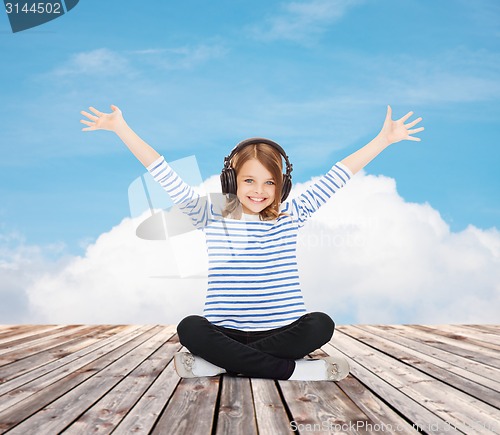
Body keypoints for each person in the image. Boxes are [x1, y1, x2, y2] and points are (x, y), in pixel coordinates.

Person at [80, 104, 423, 381]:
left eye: (269, 183)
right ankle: (292, 372)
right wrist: (121, 128)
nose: (259, 191)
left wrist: (384, 140)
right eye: (249, 180)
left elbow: (339, 174)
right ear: (231, 180)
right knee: (189, 328)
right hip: (223, 333)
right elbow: (162, 171)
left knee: (321, 324)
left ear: (282, 186)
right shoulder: (209, 214)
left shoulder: (294, 213)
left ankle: (220, 365)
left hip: (282, 332)